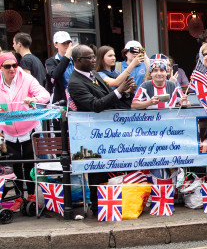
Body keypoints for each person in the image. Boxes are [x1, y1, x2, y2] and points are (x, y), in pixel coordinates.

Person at [67, 45, 136, 216]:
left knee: (110, 169)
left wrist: (125, 92)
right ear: (77, 61)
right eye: (88, 58)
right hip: (90, 134)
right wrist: (119, 91)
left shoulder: (94, 74)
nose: (93, 60)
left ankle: (113, 203)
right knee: (96, 171)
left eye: (93, 57)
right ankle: (98, 207)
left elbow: (108, 98)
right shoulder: (75, 82)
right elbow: (95, 105)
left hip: (107, 131)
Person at [0, 53, 51, 196]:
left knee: (29, 163)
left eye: (14, 65)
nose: (12, 69)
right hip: (8, 130)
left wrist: (34, 99)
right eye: (7, 66)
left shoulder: (26, 79)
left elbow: (45, 95)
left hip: (30, 128)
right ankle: (18, 196)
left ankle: (32, 196)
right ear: (1, 68)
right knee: (15, 164)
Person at [44, 31, 74, 104]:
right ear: (55, 44)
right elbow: (55, 75)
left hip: (76, 96)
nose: (66, 45)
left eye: (68, 42)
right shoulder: (51, 61)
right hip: (61, 100)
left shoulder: (75, 59)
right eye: (63, 43)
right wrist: (66, 57)